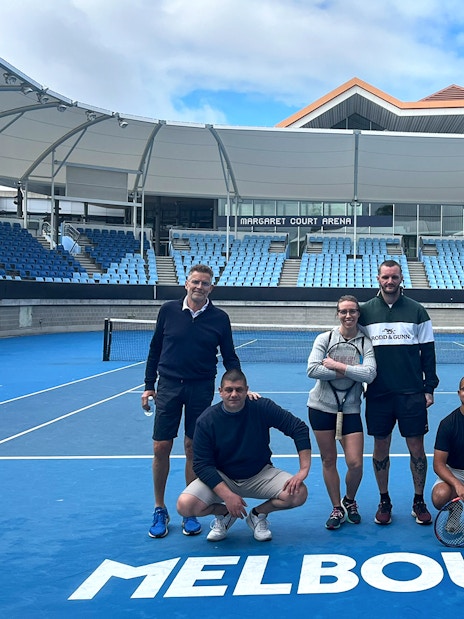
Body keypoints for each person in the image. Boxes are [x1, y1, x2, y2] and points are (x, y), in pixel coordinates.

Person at [141, 264, 242, 539]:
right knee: (161, 446)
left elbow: (230, 356)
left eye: (205, 283)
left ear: (212, 287)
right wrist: (149, 385)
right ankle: (159, 507)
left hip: (201, 388)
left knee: (192, 448)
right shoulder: (168, 311)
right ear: (187, 284)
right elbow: (155, 349)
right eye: (195, 282)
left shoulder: (220, 318)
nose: (199, 287)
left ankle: (191, 508)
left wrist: (241, 387)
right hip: (169, 387)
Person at [176, 369, 311, 542]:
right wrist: (227, 496)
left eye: (239, 390)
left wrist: (303, 470)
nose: (234, 394)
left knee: (298, 493)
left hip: (260, 474)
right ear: (220, 392)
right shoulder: (206, 420)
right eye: (229, 390)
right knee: (185, 505)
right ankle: (225, 515)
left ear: (247, 390)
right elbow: (202, 465)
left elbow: (298, 428)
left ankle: (257, 514)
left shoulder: (262, 407)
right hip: (223, 477)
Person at [358, 259, 439, 525]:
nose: (389, 281)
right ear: (378, 278)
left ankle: (419, 500)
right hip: (379, 395)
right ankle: (384, 500)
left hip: (411, 394)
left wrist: (429, 388)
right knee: (380, 447)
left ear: (401, 278)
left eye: (394, 277)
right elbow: (351, 346)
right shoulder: (365, 312)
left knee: (417, 448)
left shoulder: (418, 311)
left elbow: (428, 353)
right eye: (385, 277)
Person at [307, 295, 377, 530]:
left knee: (355, 463)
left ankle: (350, 500)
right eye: (343, 311)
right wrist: (352, 371)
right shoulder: (325, 338)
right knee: (329, 460)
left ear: (358, 314)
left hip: (350, 409)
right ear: (337, 313)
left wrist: (337, 366)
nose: (348, 315)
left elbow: (369, 375)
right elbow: (313, 369)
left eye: (353, 311)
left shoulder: (365, 342)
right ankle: (337, 507)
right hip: (320, 407)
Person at [431, 377, 464, 529]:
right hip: (455, 472)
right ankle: (456, 509)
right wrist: (457, 485)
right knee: (440, 496)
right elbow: (438, 464)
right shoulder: (448, 424)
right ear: (459, 393)